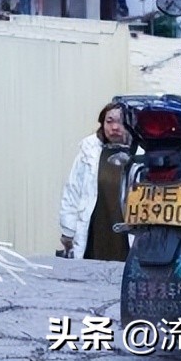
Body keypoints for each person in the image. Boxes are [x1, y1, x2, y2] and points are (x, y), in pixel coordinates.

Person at [58, 101, 131, 262]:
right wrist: (68, 230)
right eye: (109, 121)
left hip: (127, 237)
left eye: (120, 121)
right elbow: (72, 191)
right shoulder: (89, 152)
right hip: (95, 233)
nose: (114, 127)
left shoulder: (140, 154)